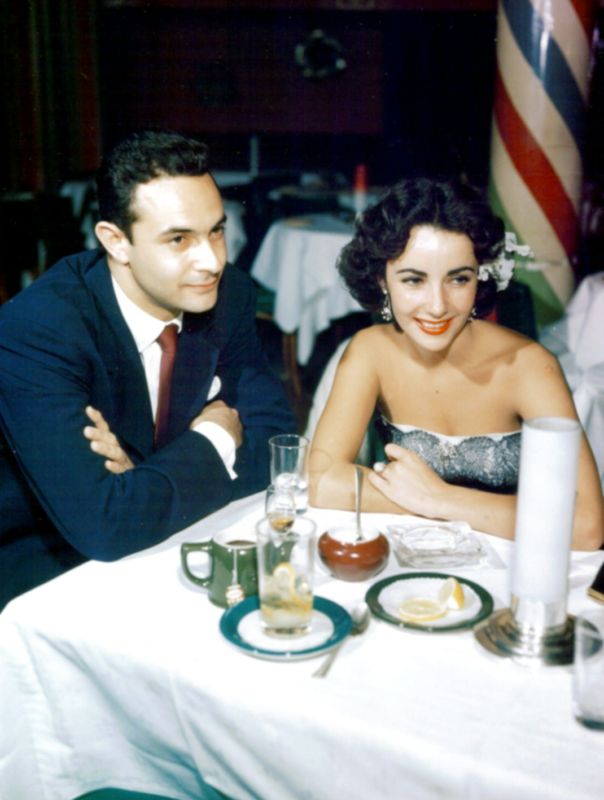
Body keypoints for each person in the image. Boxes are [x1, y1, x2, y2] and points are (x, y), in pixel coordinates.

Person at [0, 129, 296, 608]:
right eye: (179, 239)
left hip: (177, 535)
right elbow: (103, 525)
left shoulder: (228, 295)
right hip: (51, 562)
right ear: (116, 241)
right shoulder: (39, 328)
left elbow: (277, 451)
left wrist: (141, 479)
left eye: (216, 231)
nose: (212, 261)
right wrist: (214, 439)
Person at [308, 177, 603, 550]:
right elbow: (322, 482)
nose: (437, 306)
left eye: (458, 279)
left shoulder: (530, 367)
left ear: (480, 276)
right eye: (413, 280)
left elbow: (587, 526)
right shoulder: (370, 352)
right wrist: (432, 506)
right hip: (414, 557)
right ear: (383, 281)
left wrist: (441, 500)